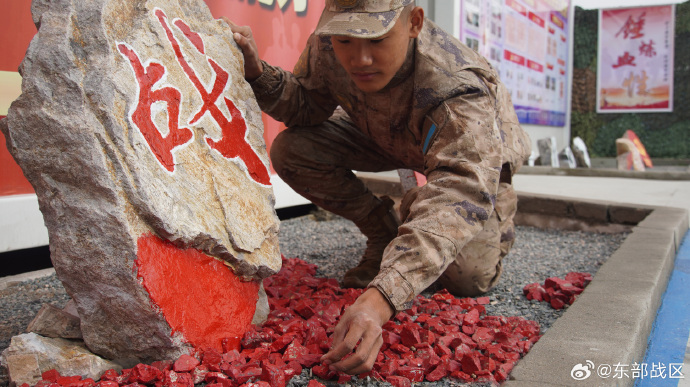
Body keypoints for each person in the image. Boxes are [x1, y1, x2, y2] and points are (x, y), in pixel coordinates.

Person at [224, 0, 531, 375]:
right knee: (293, 149)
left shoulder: (456, 84)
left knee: (468, 278)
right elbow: (307, 104)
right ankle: (383, 230)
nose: (360, 59)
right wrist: (257, 74)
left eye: (377, 38)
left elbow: (461, 186)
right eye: (346, 40)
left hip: (473, 160)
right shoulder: (330, 45)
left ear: (414, 22)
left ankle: (470, 210)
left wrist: (381, 298)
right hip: (387, 134)